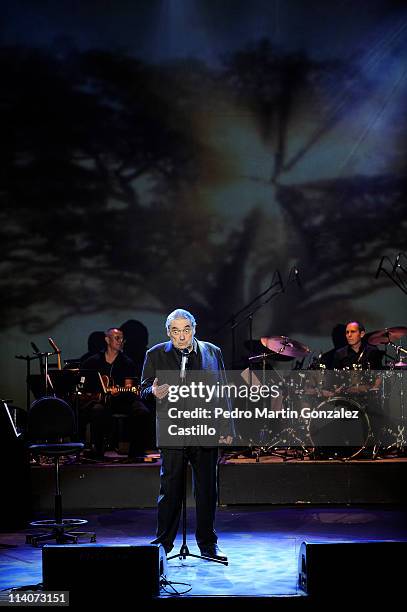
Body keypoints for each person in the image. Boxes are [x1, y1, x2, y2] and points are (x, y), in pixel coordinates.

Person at [141, 308, 233, 561]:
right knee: (170, 488)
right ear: (168, 332)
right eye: (175, 331)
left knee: (207, 489)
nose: (181, 337)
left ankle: (207, 543)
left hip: (205, 428)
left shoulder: (213, 352)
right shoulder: (156, 354)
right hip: (173, 430)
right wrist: (153, 393)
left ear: (194, 329)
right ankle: (163, 544)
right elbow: (144, 389)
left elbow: (223, 391)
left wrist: (227, 428)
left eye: (186, 330)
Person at [79, 327, 152, 462]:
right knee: (97, 410)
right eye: (117, 338)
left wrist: (121, 391)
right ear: (107, 340)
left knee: (142, 411)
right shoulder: (93, 362)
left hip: (121, 401)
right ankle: (98, 451)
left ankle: (135, 453)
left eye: (122, 339)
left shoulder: (127, 363)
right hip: (100, 402)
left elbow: (131, 387)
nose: (120, 341)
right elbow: (83, 385)